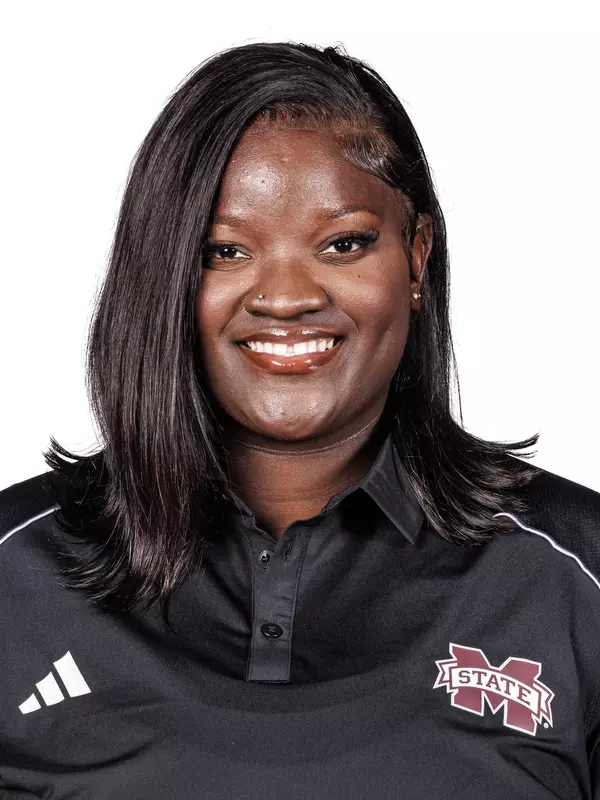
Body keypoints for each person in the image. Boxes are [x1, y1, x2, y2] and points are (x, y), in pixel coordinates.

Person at [1, 40, 599, 800]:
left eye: (343, 243)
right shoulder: (13, 576)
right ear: (163, 274)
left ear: (415, 260)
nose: (284, 296)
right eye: (225, 250)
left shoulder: (575, 575)